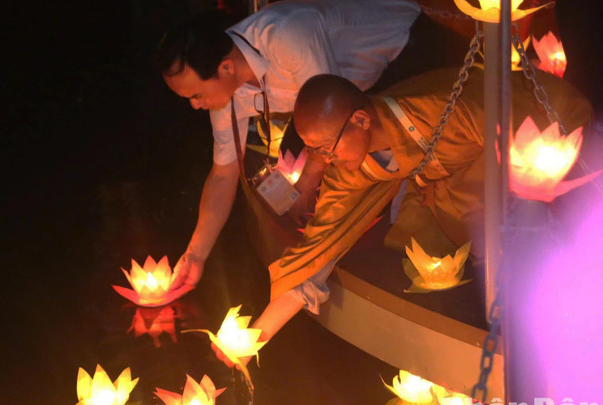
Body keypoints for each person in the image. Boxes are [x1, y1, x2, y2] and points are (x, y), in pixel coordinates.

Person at [213, 67, 593, 368]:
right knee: (418, 246)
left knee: (486, 217)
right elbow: (317, 248)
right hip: (453, 175)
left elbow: (527, 138)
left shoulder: (443, 106)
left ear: (362, 120)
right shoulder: (349, 168)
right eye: (316, 152)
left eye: (326, 148)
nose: (325, 160)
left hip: (546, 128)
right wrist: (250, 341)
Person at [156, 0, 422, 292]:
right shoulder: (224, 92)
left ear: (226, 67)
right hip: (355, 104)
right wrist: (195, 254)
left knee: (403, 171)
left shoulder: (285, 35)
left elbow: (332, 117)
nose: (195, 106)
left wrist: (306, 185)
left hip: (407, 52)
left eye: (196, 95)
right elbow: (223, 173)